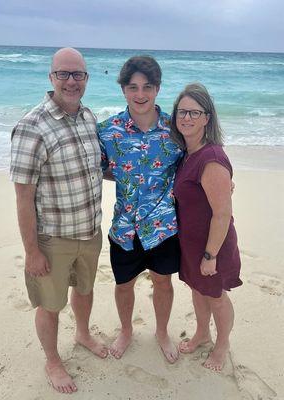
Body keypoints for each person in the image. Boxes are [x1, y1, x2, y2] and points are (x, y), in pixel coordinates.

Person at [10, 47, 108, 394]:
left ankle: (82, 333)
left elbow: (99, 168)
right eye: (63, 74)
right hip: (53, 238)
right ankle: (53, 360)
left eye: (77, 74)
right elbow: (23, 197)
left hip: (90, 229)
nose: (70, 81)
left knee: (85, 289)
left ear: (86, 79)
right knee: (50, 305)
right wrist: (31, 251)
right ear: (51, 77)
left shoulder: (88, 117)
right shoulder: (31, 126)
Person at [97, 56, 182, 363]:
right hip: (125, 227)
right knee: (124, 284)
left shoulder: (176, 129)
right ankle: (126, 331)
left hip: (164, 226)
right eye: (132, 86)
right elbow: (100, 168)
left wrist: (224, 180)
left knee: (163, 281)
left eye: (147, 86)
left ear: (157, 88)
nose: (140, 93)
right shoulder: (107, 131)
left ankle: (161, 332)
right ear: (123, 90)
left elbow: (198, 161)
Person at [171, 83, 242, 371]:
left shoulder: (211, 158)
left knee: (215, 296)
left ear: (206, 118)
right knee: (197, 289)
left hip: (212, 245)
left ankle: (222, 344)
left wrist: (210, 255)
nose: (186, 118)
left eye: (194, 112)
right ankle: (202, 334)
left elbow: (222, 214)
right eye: (181, 112)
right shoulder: (186, 153)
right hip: (190, 242)